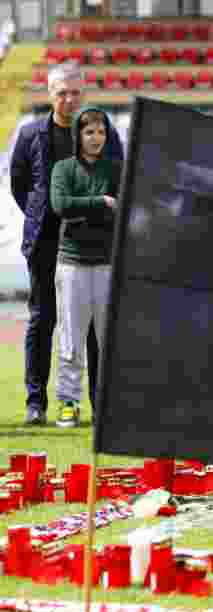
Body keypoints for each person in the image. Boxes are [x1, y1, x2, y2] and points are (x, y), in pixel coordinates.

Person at [10, 63, 122, 426]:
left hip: (94, 243)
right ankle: (35, 402)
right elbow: (20, 183)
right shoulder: (30, 135)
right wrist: (42, 215)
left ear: (84, 94)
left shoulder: (104, 133)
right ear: (49, 94)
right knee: (43, 319)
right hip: (44, 241)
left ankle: (99, 402)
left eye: (75, 92)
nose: (69, 99)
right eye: (62, 92)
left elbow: (118, 179)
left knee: (95, 326)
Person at [49, 108, 121, 427]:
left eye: (101, 132)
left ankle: (110, 405)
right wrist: (101, 203)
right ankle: (69, 402)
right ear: (78, 135)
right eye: (89, 132)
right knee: (70, 338)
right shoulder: (63, 169)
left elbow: (123, 209)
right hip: (72, 265)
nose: (96, 138)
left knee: (111, 340)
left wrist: (86, 208)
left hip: (108, 265)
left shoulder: (117, 169)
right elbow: (61, 205)